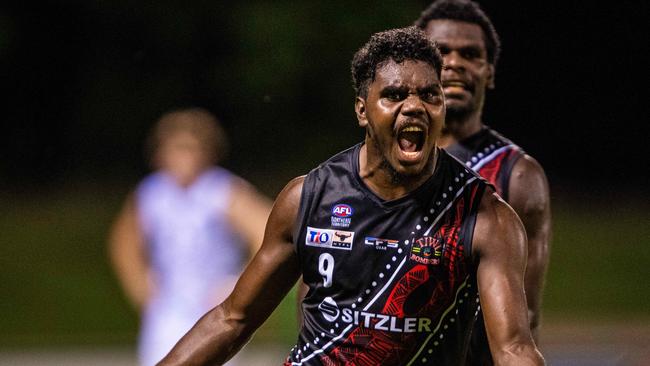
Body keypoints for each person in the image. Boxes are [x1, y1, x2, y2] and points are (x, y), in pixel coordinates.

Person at [157, 27, 544, 365]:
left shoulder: (485, 216)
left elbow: (513, 349)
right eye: (394, 95)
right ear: (363, 110)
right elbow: (233, 319)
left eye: (430, 95)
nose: (414, 106)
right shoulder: (307, 198)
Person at [415, 0, 552, 364]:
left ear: (489, 71)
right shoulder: (380, 162)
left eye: (471, 54)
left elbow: (525, 317)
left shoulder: (517, 175)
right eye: (441, 51)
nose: (455, 63)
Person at [109, 108, 272, 366]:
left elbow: (268, 234)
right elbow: (125, 243)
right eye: (177, 148)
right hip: (168, 311)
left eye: (191, 148)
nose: (184, 157)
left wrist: (240, 286)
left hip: (214, 310)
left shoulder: (222, 190)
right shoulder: (151, 193)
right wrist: (142, 288)